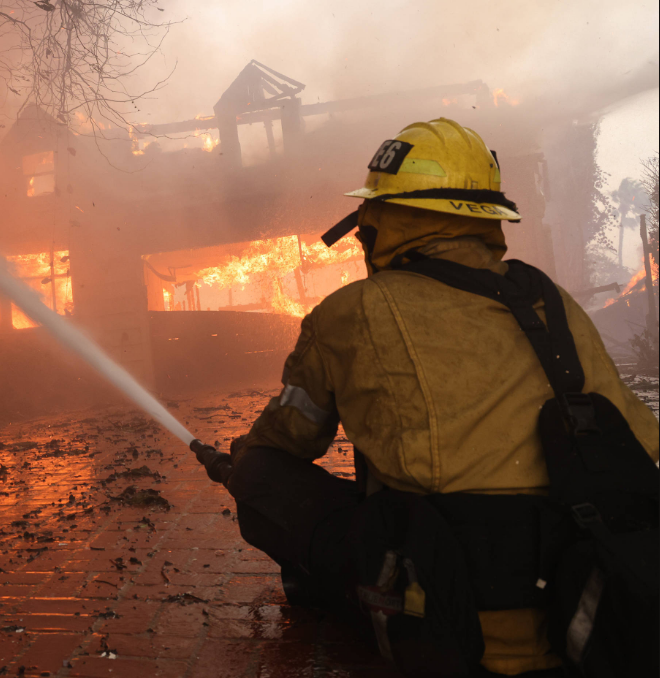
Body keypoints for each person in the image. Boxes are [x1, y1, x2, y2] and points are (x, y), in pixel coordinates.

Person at [192, 118, 659, 678]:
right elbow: (637, 442)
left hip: (450, 618)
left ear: (382, 218)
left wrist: (241, 457)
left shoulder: (352, 311)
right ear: (485, 216)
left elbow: (289, 437)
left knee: (261, 471)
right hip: (586, 604)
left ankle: (349, 598)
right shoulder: (550, 302)